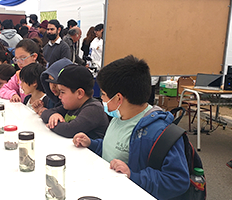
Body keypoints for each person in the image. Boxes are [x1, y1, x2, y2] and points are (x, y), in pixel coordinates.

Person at [72, 55, 190, 200]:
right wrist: (92, 143)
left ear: (118, 99)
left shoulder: (158, 131)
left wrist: (133, 176)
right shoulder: (118, 116)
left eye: (103, 94)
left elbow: (178, 180)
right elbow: (116, 149)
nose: (101, 99)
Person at [40, 64, 108, 139]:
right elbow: (45, 113)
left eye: (62, 92)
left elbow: (69, 130)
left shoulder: (94, 109)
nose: (59, 96)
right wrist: (53, 115)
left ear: (79, 93)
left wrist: (52, 124)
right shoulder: (71, 105)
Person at [0, 38, 47, 102]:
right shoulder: (18, 75)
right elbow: (4, 89)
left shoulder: (43, 75)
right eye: (16, 59)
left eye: (22, 58)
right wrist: (13, 95)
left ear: (34, 56)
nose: (19, 63)